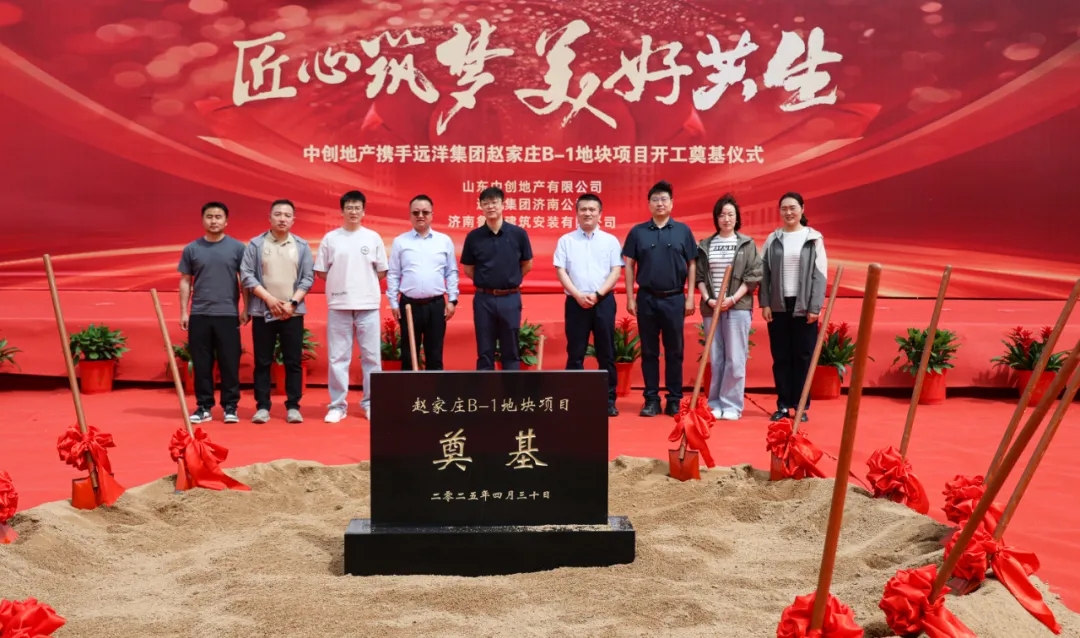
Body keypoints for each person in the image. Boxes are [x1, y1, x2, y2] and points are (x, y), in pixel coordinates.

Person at [622, 180, 698, 417]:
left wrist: (690, 296)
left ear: (672, 203)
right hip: (647, 298)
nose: (660, 203)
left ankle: (674, 399)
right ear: (649, 204)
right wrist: (630, 297)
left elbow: (692, 264)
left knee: (675, 351)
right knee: (649, 352)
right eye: (655, 200)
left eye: (664, 199)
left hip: (675, 298)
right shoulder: (638, 232)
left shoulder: (683, 231)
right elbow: (629, 265)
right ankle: (651, 399)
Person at [314, 190, 388, 423]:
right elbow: (321, 271)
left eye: (357, 208)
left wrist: (361, 285)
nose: (353, 211)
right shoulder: (331, 238)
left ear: (364, 211)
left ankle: (371, 403)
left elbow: (382, 271)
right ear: (342, 211)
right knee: (338, 358)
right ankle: (337, 406)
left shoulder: (373, 238)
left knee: (372, 358)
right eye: (349, 207)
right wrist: (342, 284)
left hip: (368, 306)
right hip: (339, 305)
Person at [240, 199, 315, 424]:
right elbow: (247, 275)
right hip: (263, 312)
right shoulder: (256, 245)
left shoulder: (301, 246)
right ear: (270, 218)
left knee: (293, 361)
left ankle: (293, 407)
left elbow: (308, 278)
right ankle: (262, 407)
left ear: (293, 220)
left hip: (292, 313)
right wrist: (269, 299)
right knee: (263, 361)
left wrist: (292, 303)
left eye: (287, 215)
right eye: (278, 214)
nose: (282, 219)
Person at [177, 202, 250, 424]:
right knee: (201, 362)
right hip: (200, 313)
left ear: (226, 221)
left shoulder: (237, 248)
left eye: (218, 217)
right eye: (209, 216)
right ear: (203, 220)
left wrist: (246, 308)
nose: (214, 221)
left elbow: (245, 281)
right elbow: (185, 281)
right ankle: (204, 406)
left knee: (230, 362)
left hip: (227, 313)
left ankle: (230, 406)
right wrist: (184, 311)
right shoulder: (192, 249)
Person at [759, 191, 827, 422]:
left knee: (803, 356)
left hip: (804, 306)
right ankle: (783, 405)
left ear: (802, 209)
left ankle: (800, 407)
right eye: (784, 209)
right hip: (778, 305)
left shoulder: (813, 238)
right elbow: (764, 274)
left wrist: (815, 307)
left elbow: (820, 275)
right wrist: (765, 303)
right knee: (781, 357)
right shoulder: (773, 239)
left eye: (793, 208)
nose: (788, 212)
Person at [554, 193, 623, 417]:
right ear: (576, 213)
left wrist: (598, 294)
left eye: (592, 210)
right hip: (575, 303)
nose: (587, 213)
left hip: (603, 301)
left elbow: (616, 270)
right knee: (575, 352)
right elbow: (561, 271)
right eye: (583, 209)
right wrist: (577, 295)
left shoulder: (610, 241)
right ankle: (574, 398)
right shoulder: (566, 240)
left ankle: (608, 399)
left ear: (600, 214)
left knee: (606, 351)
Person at [694, 194, 762, 421]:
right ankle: (714, 403)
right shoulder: (705, 245)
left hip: (737, 307)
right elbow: (700, 277)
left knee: (735, 357)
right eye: (722, 215)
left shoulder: (746, 244)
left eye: (731, 214)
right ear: (716, 218)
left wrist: (732, 299)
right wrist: (708, 300)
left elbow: (753, 276)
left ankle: (732, 404)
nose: (726, 219)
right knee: (716, 356)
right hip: (712, 308)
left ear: (737, 217)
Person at [460, 186, 533, 370]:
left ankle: (512, 388)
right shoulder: (474, 237)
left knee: (511, 350)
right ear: (481, 207)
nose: (490, 206)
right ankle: (485, 387)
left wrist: (510, 280)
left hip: (510, 298)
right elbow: (468, 268)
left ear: (503, 205)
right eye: (486, 203)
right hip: (484, 299)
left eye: (494, 202)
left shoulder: (518, 234)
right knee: (485, 350)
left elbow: (527, 264)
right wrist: (487, 281)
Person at [386, 194, 460, 370]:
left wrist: (452, 300)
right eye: (416, 212)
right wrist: (393, 303)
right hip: (408, 306)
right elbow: (394, 274)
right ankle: (409, 388)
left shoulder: (444, 241)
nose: (420, 216)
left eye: (425, 212)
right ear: (410, 215)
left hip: (436, 305)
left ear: (432, 215)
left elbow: (451, 272)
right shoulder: (400, 242)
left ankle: (434, 389)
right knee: (408, 354)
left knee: (434, 354)